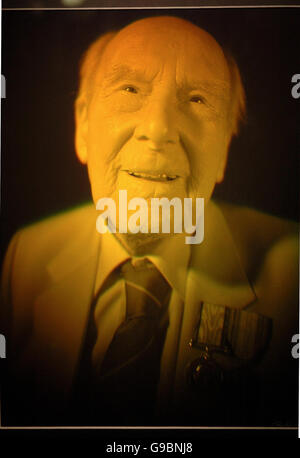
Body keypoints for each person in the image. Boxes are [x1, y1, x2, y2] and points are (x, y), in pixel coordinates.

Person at [0, 15, 298, 427]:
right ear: (82, 125)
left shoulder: (293, 275)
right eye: (130, 89)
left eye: (197, 100)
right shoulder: (25, 256)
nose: (158, 130)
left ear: (225, 148)